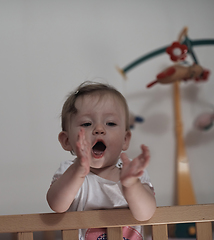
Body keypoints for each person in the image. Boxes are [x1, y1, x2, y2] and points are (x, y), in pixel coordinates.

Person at [46, 81, 156, 240]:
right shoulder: (69, 172)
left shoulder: (132, 172)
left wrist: (131, 184)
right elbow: (56, 204)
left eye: (110, 123)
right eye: (86, 123)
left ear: (125, 139)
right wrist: (78, 170)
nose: (99, 129)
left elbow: (146, 214)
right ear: (67, 140)